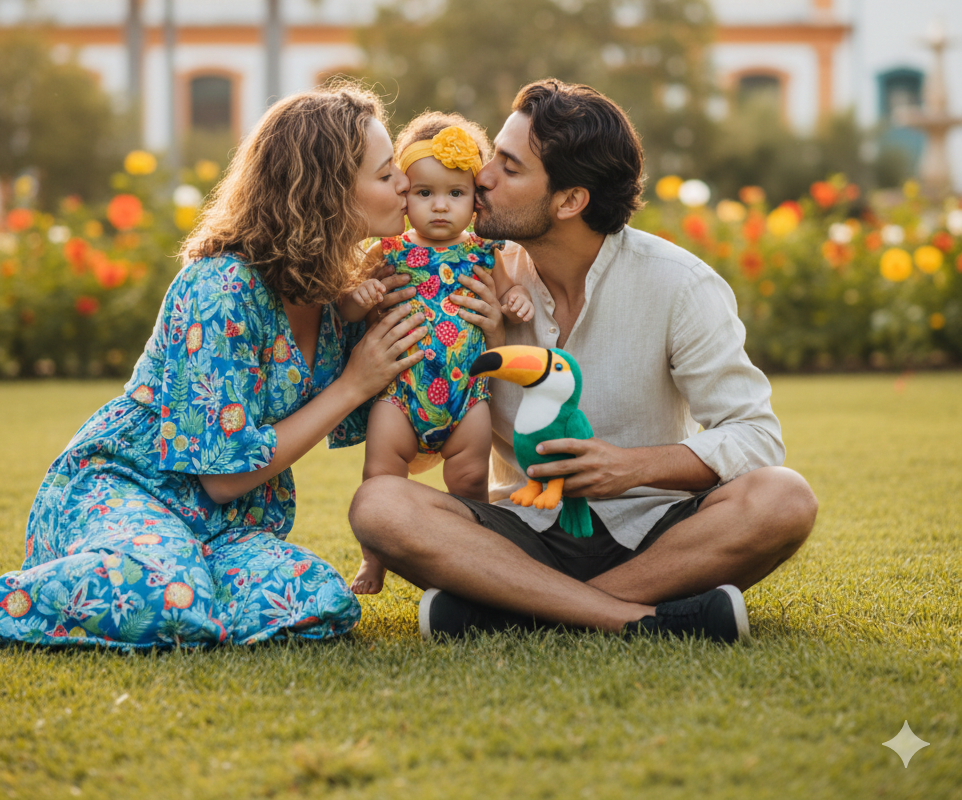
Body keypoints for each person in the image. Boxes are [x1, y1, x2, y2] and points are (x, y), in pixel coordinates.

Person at [0, 86, 429, 650]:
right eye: (385, 175)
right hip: (125, 492)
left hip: (223, 531)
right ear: (327, 194)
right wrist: (352, 385)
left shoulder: (340, 300)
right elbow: (222, 478)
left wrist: (480, 322)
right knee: (163, 592)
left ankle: (187, 599)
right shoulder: (220, 289)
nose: (405, 183)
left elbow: (417, 430)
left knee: (318, 599)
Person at [349, 79, 819, 643]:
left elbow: (756, 438)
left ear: (570, 201)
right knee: (378, 505)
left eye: (509, 167)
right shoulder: (475, 280)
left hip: (655, 533)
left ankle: (519, 610)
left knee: (784, 498)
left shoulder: (680, 285)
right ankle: (628, 618)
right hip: (520, 531)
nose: (482, 177)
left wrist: (631, 468)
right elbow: (431, 436)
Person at [340, 113, 534, 595]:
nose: (440, 206)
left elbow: (507, 296)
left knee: (470, 479)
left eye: (456, 193)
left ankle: (472, 553)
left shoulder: (486, 253)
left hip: (467, 395)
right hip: (400, 392)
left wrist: (515, 299)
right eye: (425, 193)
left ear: (475, 199)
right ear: (404, 196)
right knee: (380, 475)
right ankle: (374, 558)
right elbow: (346, 308)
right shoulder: (386, 250)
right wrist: (359, 297)